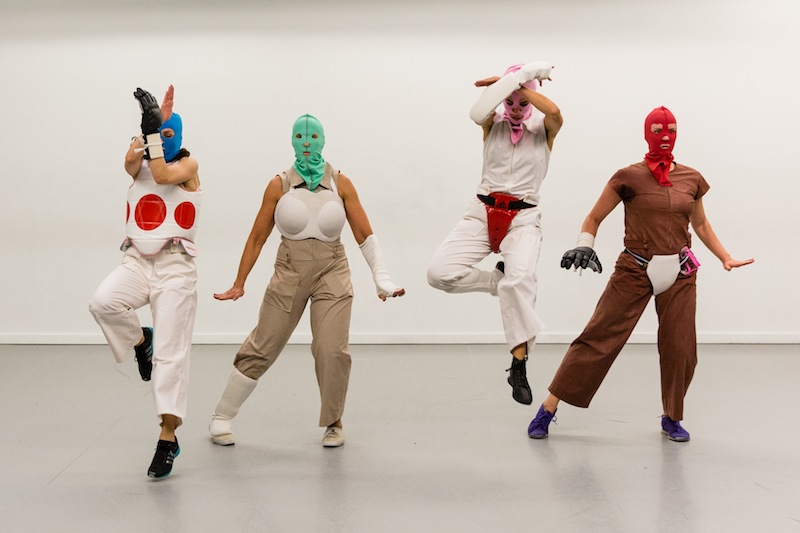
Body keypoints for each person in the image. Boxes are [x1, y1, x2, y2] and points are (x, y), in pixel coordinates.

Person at [527, 106, 754, 442]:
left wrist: (725, 256)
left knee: (681, 348)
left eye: (672, 130)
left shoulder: (691, 178)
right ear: (647, 134)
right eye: (658, 130)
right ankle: (548, 408)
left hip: (679, 271)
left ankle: (672, 416)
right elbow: (593, 218)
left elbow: (701, 223)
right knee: (598, 337)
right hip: (634, 268)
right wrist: (584, 244)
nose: (665, 136)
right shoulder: (627, 177)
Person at [209, 114, 404, 448]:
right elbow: (257, 237)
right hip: (290, 270)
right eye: (300, 136)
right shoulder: (279, 184)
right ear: (292, 141)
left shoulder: (341, 183)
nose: (307, 142)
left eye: (313, 136)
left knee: (332, 350)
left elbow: (364, 235)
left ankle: (333, 422)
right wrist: (239, 282)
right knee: (263, 344)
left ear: (324, 139)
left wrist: (381, 279)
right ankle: (222, 415)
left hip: (332, 270)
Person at [427, 61, 562, 405]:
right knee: (438, 274)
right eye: (510, 102)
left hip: (523, 217)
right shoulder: (492, 124)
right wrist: (508, 83)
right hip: (481, 212)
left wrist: (519, 84)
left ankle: (519, 364)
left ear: (532, 98)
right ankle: (494, 282)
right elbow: (476, 112)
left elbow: (557, 112)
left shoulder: (544, 129)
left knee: (520, 280)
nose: (516, 109)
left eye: (523, 102)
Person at [89, 85, 201, 478]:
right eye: (158, 132)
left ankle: (168, 437)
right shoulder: (140, 159)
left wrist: (158, 131)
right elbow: (130, 163)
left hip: (174, 268)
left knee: (172, 357)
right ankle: (141, 339)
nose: (163, 140)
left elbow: (165, 172)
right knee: (103, 302)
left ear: (180, 138)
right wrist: (145, 129)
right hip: (137, 260)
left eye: (170, 134)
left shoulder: (188, 168)